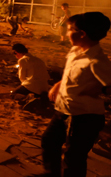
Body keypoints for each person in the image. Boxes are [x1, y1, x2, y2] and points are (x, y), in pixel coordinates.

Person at [42, 12, 111, 176]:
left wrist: (100, 90)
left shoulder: (97, 61)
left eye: (69, 30)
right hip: (64, 110)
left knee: (74, 158)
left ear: (82, 34)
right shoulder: (75, 50)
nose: (66, 33)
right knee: (49, 141)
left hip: (85, 116)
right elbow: (70, 73)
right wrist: (58, 84)